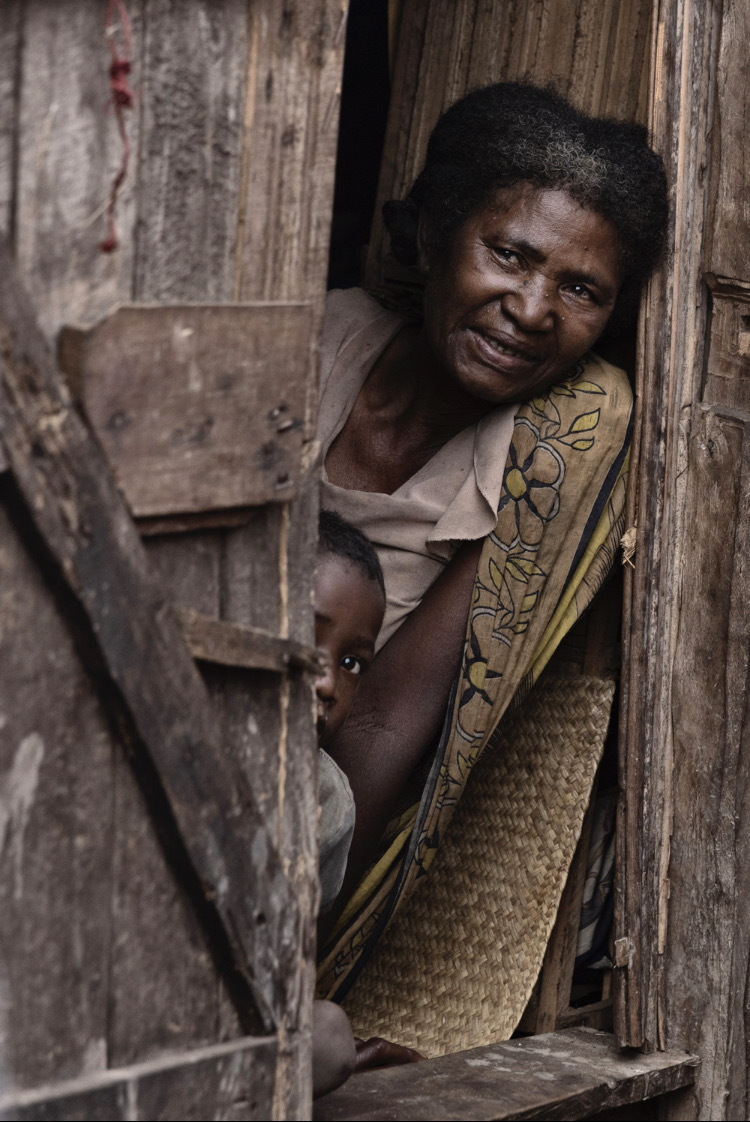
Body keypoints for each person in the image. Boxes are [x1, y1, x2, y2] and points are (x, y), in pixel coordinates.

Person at [315, 81, 668, 1004]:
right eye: (508, 253)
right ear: (432, 238)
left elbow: (388, 723)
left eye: (581, 289)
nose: (534, 307)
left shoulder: (544, 455)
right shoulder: (319, 340)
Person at [312, 510, 422, 1095]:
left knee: (326, 1036)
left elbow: (287, 973)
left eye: (352, 663)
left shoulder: (328, 801)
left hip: (223, 1030)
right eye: (308, 635)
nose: (329, 682)